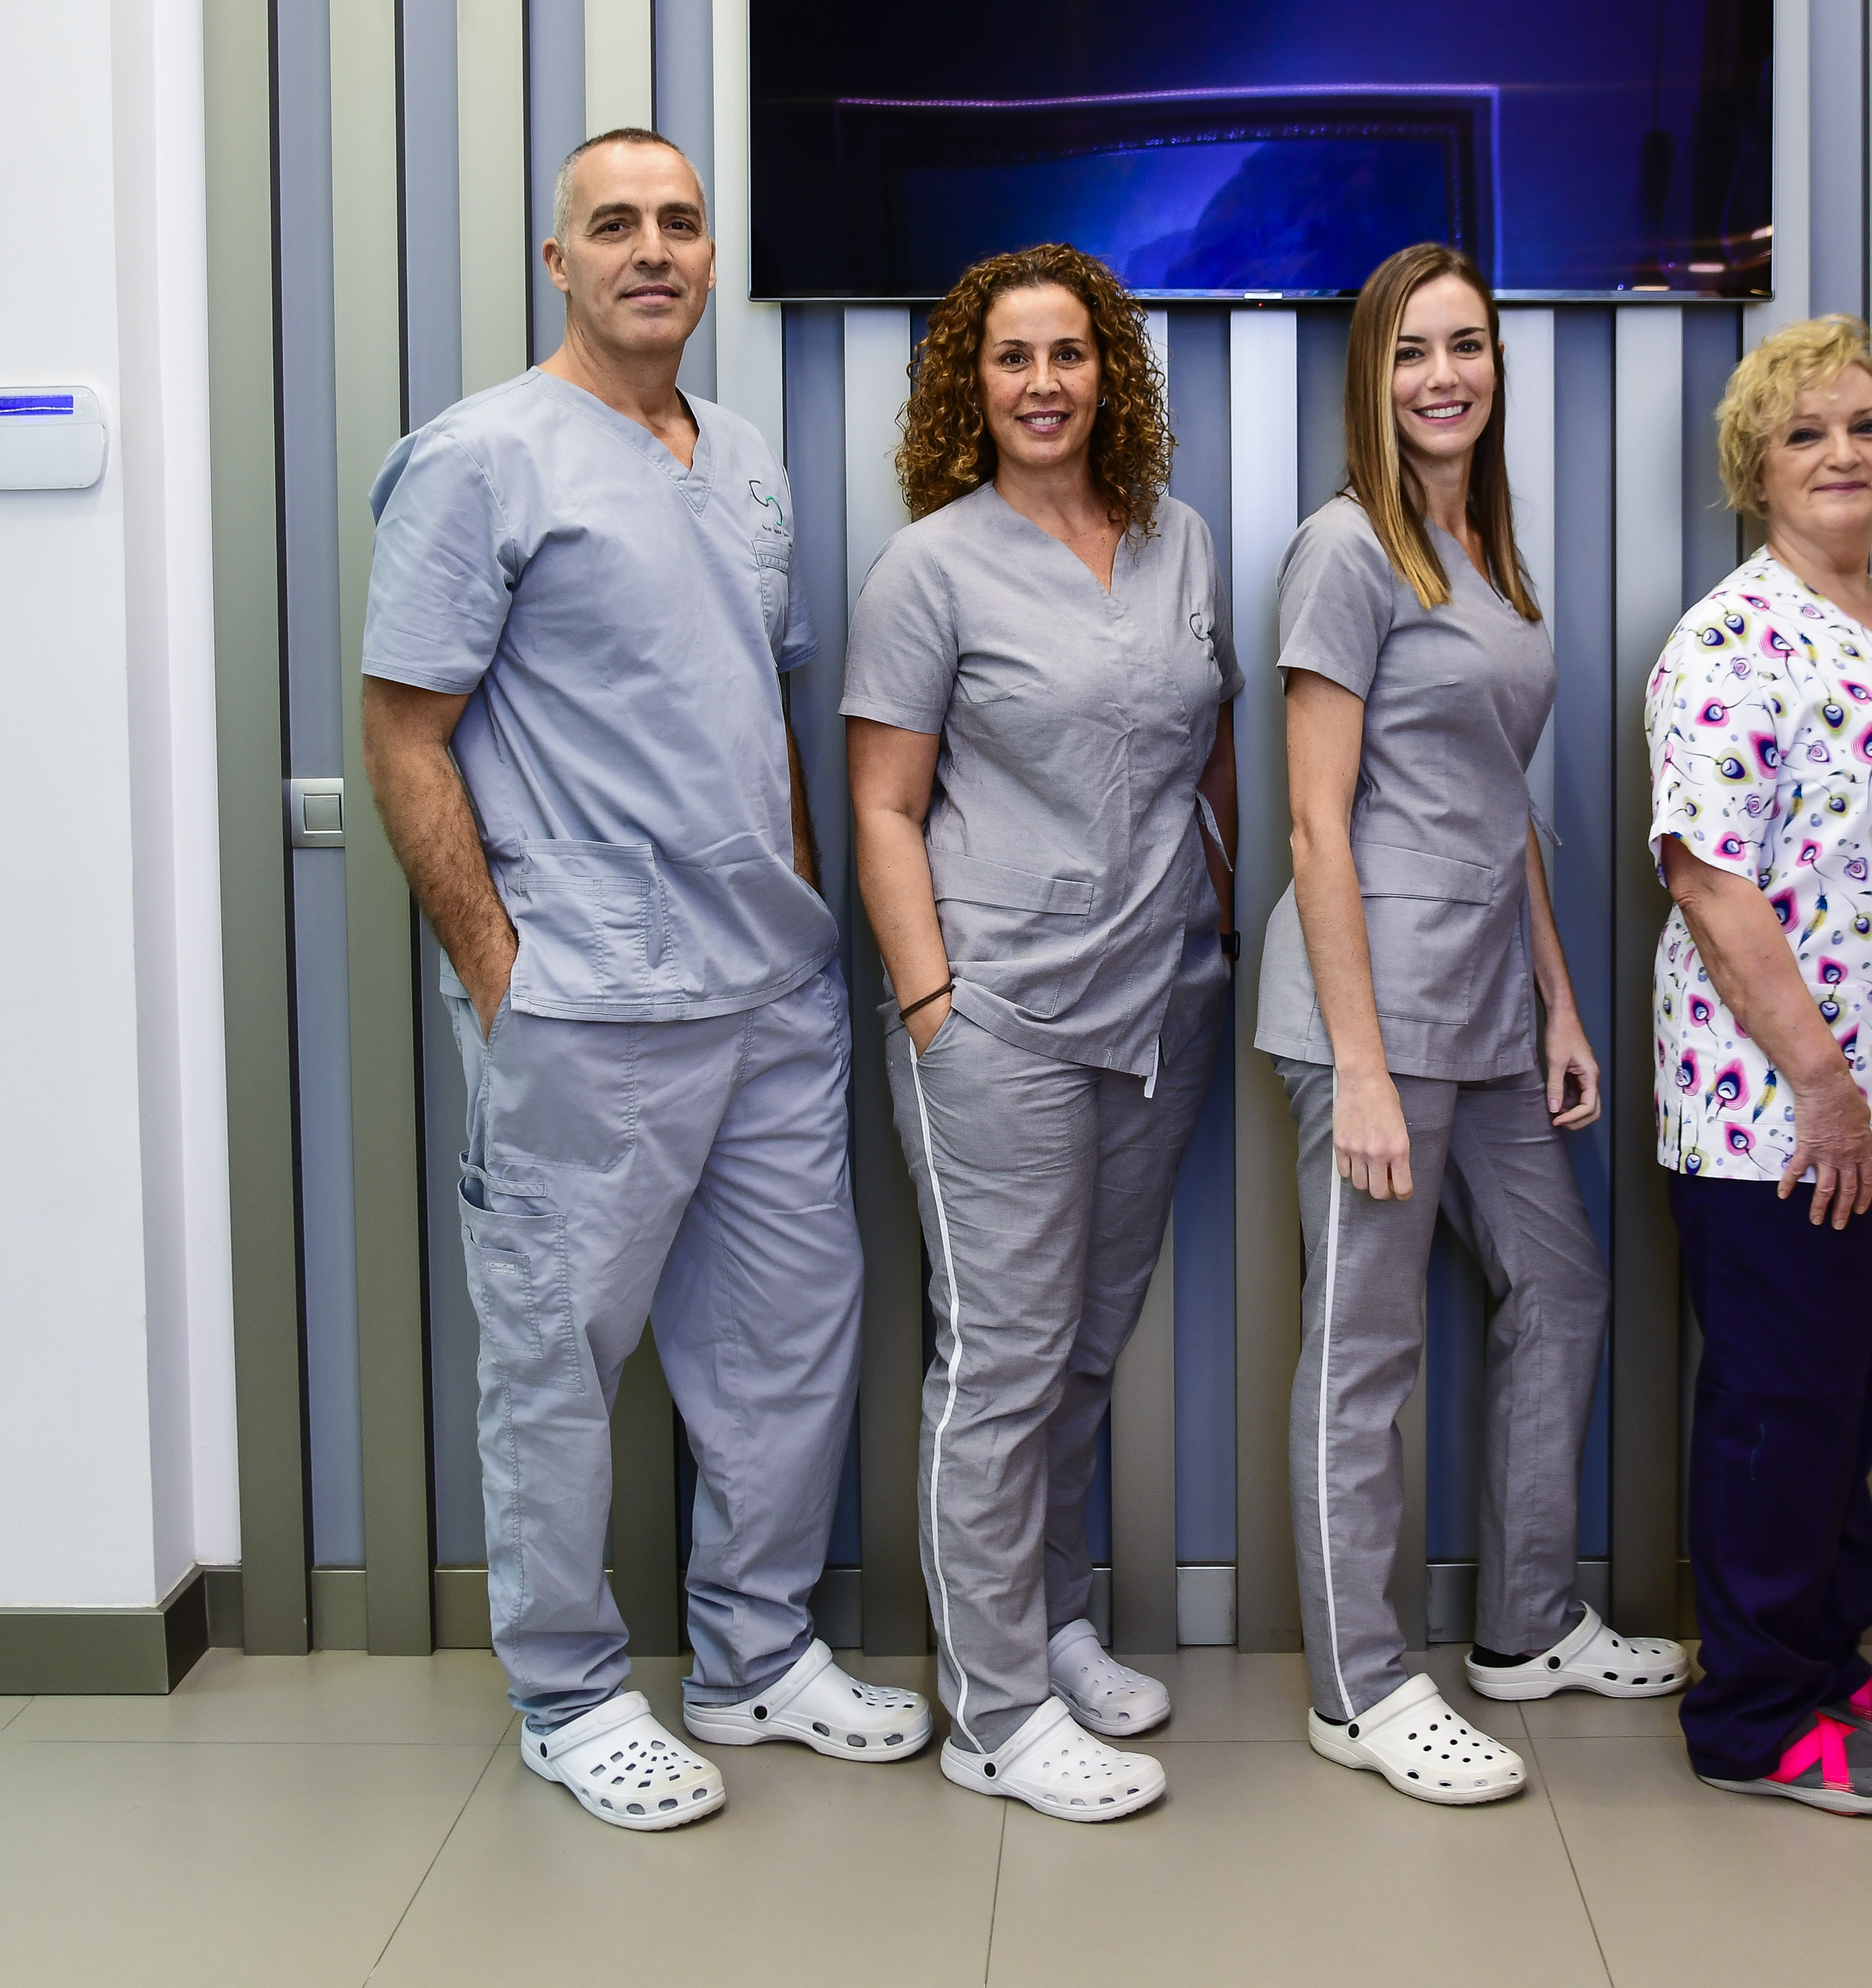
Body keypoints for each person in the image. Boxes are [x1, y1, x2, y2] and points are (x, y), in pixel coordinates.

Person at [359, 127, 929, 1834]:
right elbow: (404, 736)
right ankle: (565, 1692)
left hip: (766, 994)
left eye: (680, 223)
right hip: (589, 998)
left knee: (788, 1340)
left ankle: (756, 1654)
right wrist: (499, 970)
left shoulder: (739, 460)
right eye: (614, 225)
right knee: (556, 1354)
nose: (652, 250)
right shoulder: (478, 460)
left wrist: (804, 911)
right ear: (560, 262)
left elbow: (763, 705)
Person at [1262, 240, 1684, 1810]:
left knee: (1561, 1289)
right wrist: (1361, 1067)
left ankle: (1524, 1626)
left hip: (1493, 1005)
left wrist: (1559, 1001)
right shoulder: (1343, 551)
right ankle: (1360, 1687)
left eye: (1468, 346)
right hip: (1374, 1008)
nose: (1445, 376)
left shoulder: (1487, 555)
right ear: (1371, 377)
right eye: (1412, 351)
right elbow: (1315, 824)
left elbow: (1508, 808)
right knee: (1361, 1347)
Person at [846, 244, 1243, 1824]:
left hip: (1161, 1006)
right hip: (998, 1014)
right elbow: (883, 806)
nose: (1042, 383)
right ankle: (993, 1709)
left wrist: (1217, 922)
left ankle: (1054, 1622)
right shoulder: (929, 570)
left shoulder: (1178, 541)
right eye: (1010, 357)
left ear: (1108, 372)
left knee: (1081, 1347)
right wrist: (931, 1004)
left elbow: (1208, 746)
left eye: (1068, 353)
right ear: (972, 383)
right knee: (1001, 1362)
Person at [1645, 315, 1872, 1820]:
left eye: (1865, 426)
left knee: (1856, 1391)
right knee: (1781, 1407)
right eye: (1805, 434)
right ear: (1756, 469)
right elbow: (1710, 879)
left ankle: (1819, 1656)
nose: (1842, 453)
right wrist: (1822, 1084)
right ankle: (1751, 1715)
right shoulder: (1731, 641)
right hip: (1786, 1110)